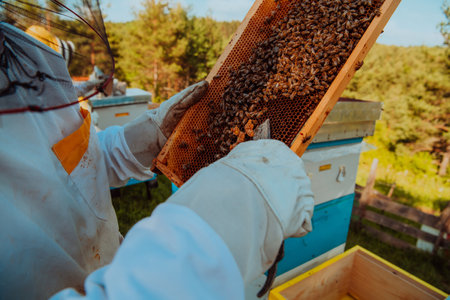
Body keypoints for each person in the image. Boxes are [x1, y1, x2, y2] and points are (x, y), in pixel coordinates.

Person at [0, 21, 314, 300]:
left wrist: (133, 142)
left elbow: (62, 163)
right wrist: (240, 210)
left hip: (111, 258)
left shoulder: (21, 53)